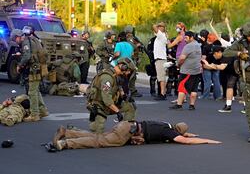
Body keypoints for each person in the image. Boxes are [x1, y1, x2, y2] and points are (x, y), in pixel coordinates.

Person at [48, 120, 221, 151]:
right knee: (99, 141)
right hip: (128, 133)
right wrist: (206, 140)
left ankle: (68, 132)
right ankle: (67, 143)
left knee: (98, 135)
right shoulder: (170, 132)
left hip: (128, 125)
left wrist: (191, 133)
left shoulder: (166, 125)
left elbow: (184, 134)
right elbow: (185, 141)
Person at [86, 57, 137, 133]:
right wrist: (117, 112)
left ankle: (127, 131)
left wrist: (124, 96)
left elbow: (118, 87)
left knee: (130, 107)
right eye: (128, 70)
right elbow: (107, 100)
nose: (128, 73)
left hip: (110, 104)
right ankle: (79, 132)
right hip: (100, 105)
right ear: (123, 67)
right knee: (98, 131)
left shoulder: (117, 76)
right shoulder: (107, 78)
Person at [17, 25, 49, 122]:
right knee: (36, 90)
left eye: (16, 39)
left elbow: (27, 56)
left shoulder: (26, 42)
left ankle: (34, 114)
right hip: (39, 67)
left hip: (34, 69)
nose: (16, 41)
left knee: (32, 92)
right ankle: (43, 110)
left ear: (18, 36)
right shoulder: (35, 39)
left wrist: (19, 64)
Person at [169, 31, 202, 110]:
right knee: (194, 88)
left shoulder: (188, 46)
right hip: (197, 70)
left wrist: (178, 64)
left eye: (186, 38)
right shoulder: (198, 45)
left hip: (187, 70)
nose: (185, 40)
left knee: (182, 87)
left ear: (192, 37)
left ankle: (179, 104)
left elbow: (182, 58)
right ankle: (192, 105)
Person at [124, 25, 144, 98]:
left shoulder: (133, 38)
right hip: (130, 59)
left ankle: (129, 90)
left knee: (132, 75)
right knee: (132, 76)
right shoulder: (128, 39)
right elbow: (131, 46)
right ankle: (132, 90)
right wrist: (137, 45)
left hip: (133, 58)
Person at [201, 33, 222, 100]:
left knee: (207, 82)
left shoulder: (206, 47)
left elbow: (203, 58)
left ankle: (205, 96)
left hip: (207, 66)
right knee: (216, 81)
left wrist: (203, 65)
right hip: (216, 66)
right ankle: (217, 96)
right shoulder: (220, 48)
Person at [153, 22, 169, 100]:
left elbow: (154, 26)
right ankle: (162, 92)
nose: (158, 27)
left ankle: (163, 93)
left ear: (163, 28)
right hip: (159, 59)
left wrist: (158, 24)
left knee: (161, 77)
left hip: (160, 59)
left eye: (160, 26)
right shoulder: (160, 36)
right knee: (161, 77)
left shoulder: (161, 35)